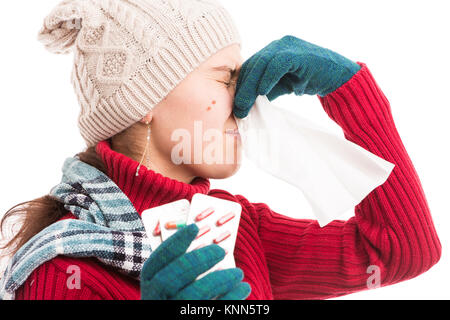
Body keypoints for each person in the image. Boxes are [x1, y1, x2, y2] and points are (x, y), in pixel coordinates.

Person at [0, 0, 441, 300]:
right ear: (146, 102)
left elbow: (402, 251)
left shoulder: (236, 226)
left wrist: (348, 91)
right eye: (226, 77)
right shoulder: (61, 272)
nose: (248, 103)